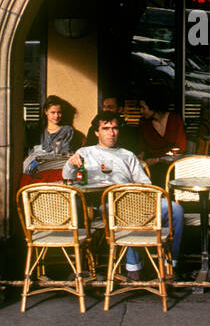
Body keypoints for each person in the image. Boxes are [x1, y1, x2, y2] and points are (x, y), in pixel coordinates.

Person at [65, 111, 184, 282]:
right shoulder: (85, 152)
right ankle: (133, 268)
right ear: (97, 132)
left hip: (133, 200)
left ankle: (169, 265)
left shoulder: (127, 154)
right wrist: (70, 164)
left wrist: (138, 193)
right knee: (126, 211)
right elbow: (68, 177)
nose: (111, 133)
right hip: (103, 206)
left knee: (176, 209)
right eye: (106, 128)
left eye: (114, 128)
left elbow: (145, 183)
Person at [138, 88, 187, 184]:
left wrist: (159, 160)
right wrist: (140, 156)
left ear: (153, 105)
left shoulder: (175, 119)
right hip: (152, 165)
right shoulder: (144, 122)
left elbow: (180, 147)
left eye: (143, 107)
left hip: (173, 162)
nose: (141, 111)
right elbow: (142, 146)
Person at [25, 95, 79, 174]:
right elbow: (32, 151)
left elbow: (64, 153)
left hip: (56, 164)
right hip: (37, 164)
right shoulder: (38, 131)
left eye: (59, 112)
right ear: (46, 111)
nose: (56, 116)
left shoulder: (67, 130)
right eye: (53, 112)